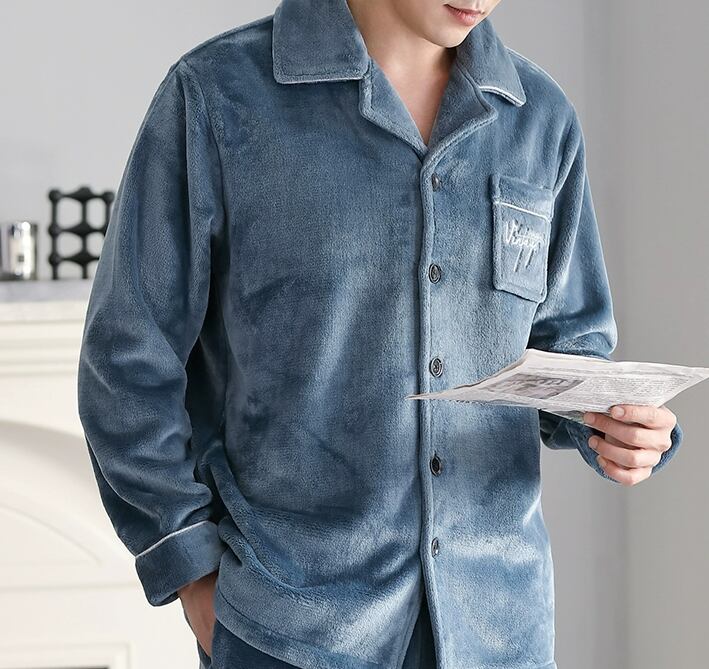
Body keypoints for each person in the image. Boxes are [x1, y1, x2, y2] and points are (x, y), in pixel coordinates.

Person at [76, 1, 683, 668]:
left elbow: (568, 345)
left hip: (498, 632)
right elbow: (126, 359)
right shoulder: (218, 96)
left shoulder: (540, 118)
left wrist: (612, 425)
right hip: (294, 634)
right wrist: (189, 569)